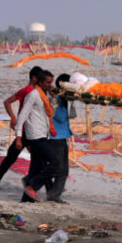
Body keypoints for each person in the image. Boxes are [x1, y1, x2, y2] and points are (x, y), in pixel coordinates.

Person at [0, 66, 44, 190]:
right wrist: (13, 118)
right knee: (12, 157)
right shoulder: (26, 91)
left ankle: (36, 183)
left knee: (39, 158)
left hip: (34, 129)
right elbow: (7, 102)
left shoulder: (39, 93)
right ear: (34, 78)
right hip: (23, 130)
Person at [15, 69, 59, 202]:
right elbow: (22, 115)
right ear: (40, 82)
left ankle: (26, 200)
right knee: (55, 163)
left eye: (51, 82)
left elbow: (51, 113)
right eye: (47, 82)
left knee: (36, 167)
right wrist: (18, 137)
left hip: (42, 133)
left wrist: (54, 98)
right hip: (35, 135)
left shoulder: (45, 97)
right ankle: (32, 187)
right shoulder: (33, 95)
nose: (50, 85)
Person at [46, 73, 75, 203]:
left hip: (61, 136)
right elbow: (61, 117)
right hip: (55, 137)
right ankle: (52, 193)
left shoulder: (61, 99)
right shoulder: (56, 99)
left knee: (62, 168)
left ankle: (53, 193)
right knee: (60, 169)